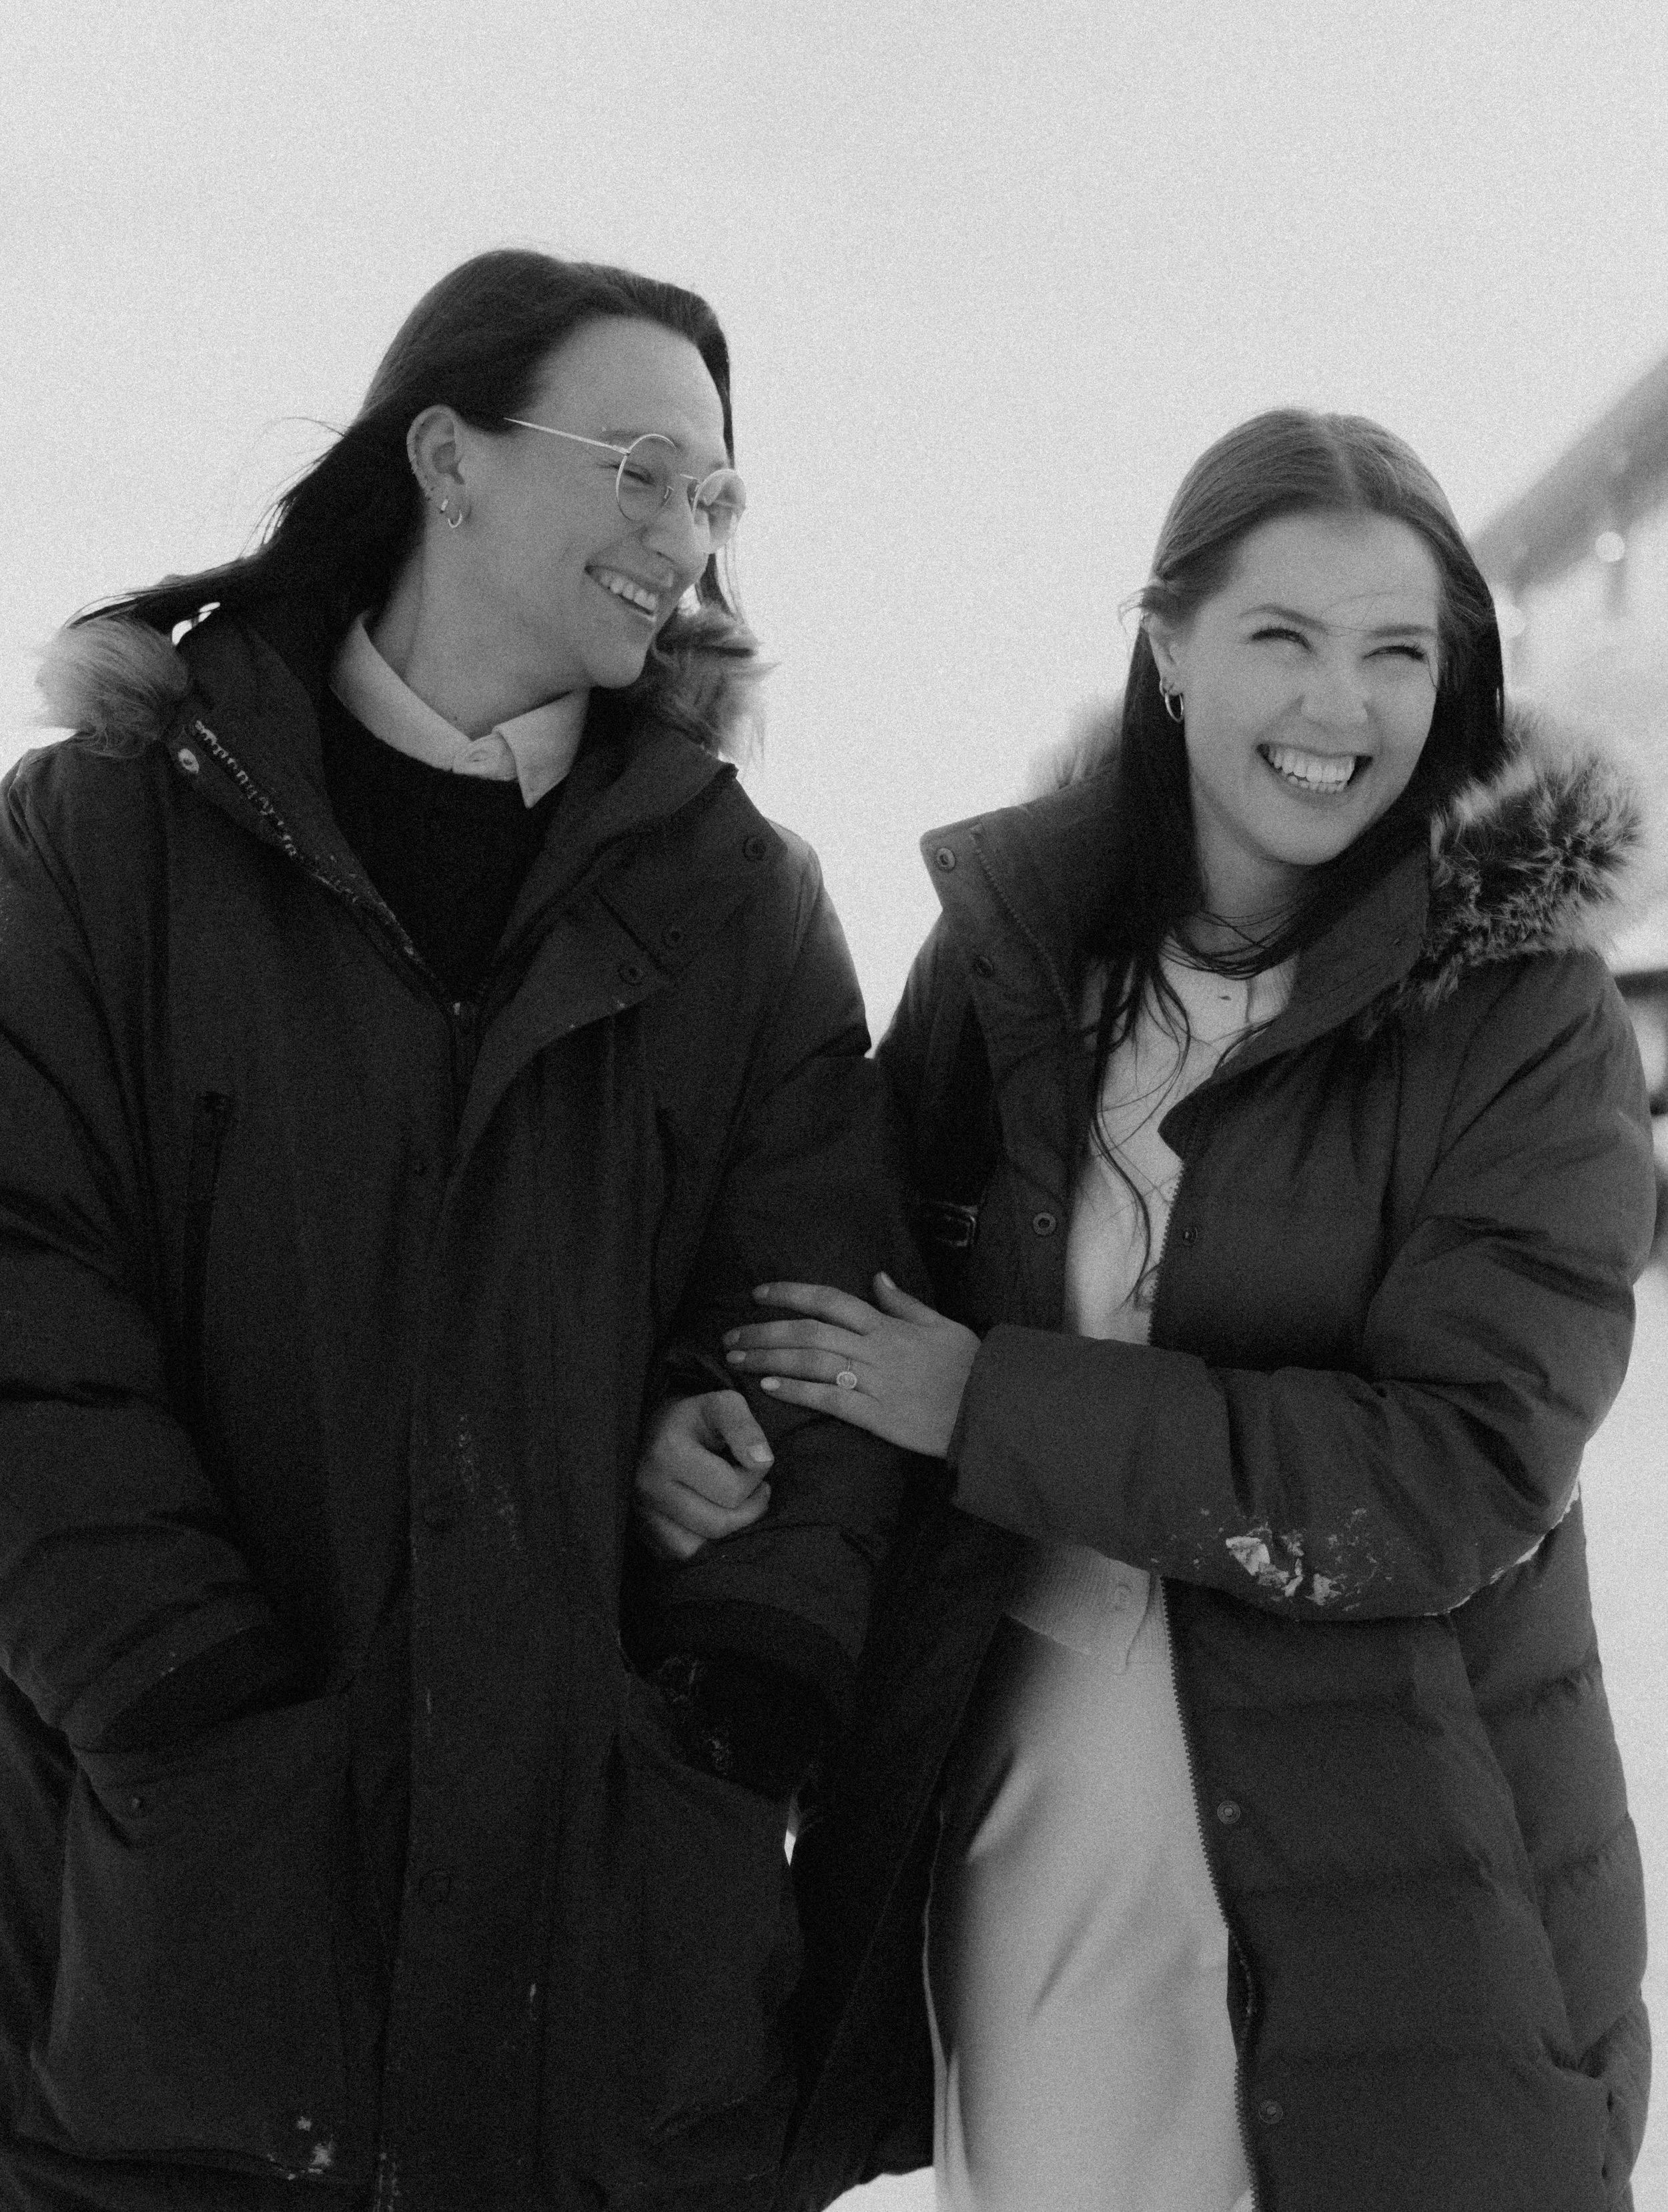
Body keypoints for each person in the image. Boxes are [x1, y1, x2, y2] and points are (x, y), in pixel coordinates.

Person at [634, 410, 1658, 2212]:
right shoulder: (1020, 964)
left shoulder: (1524, 1023)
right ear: (1168, 646)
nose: (1339, 705)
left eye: (1396, 652)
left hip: (1402, 1865)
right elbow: (850, 1289)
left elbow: (1456, 1475)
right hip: (1047, 1825)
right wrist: (716, 1421)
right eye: (1281, 636)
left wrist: (991, 1405)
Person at [0, 248, 921, 2212]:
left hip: (602, 1980)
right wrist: (174, 1697)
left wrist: (730, 1674)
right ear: (446, 458)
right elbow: (22, 1287)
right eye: (640, 472)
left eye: (714, 495)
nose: (686, 538)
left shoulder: (741, 905)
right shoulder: (99, 843)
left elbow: (823, 1321)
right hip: (175, 1943)